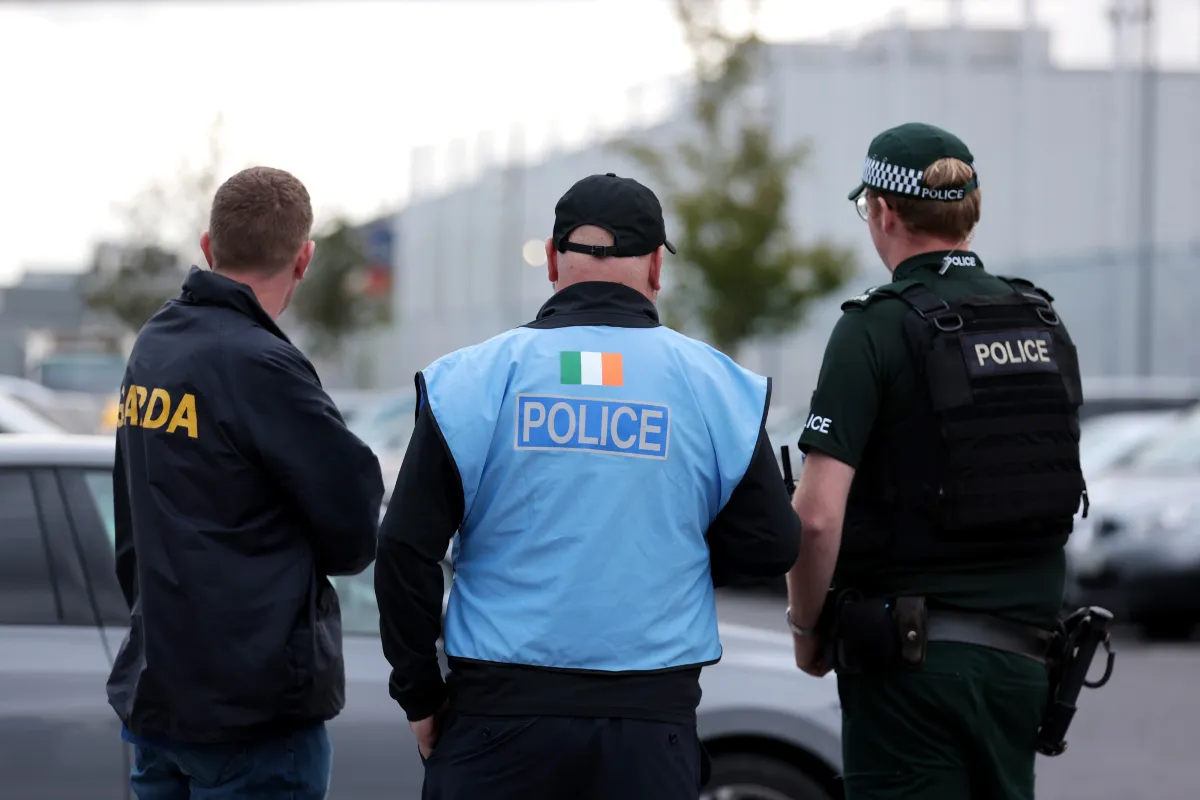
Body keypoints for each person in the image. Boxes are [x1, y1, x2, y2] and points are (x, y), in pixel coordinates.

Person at [374, 172, 802, 800]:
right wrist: (667, 556)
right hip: (648, 725)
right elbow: (771, 545)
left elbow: (404, 548)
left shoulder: (470, 379)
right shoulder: (717, 386)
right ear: (657, 266)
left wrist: (420, 695)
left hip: (496, 719)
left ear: (552, 260)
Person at [785, 123, 1086, 800]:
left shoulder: (874, 327)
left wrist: (806, 629)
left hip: (908, 674)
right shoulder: (1040, 321)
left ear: (884, 211)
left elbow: (816, 518)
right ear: (968, 212)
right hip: (1026, 665)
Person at [107, 166, 385, 799]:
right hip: (250, 715)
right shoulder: (261, 363)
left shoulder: (154, 345)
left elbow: (132, 520)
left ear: (208, 246)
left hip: (161, 695)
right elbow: (353, 526)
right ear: (304, 258)